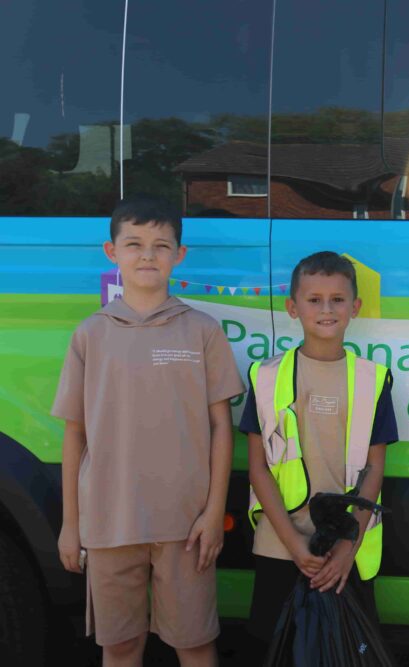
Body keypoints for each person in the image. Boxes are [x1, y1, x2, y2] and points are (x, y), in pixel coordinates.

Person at [52, 197, 245, 667]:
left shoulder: (201, 330)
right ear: (111, 252)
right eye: (134, 244)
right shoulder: (90, 334)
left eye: (161, 245)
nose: (147, 255)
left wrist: (213, 512)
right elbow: (75, 436)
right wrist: (71, 525)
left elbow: (222, 427)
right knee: (120, 646)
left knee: (194, 644)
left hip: (186, 526)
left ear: (179, 254)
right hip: (109, 523)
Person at [240, 251, 398, 648]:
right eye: (314, 300)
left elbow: (374, 470)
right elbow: (258, 468)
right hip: (281, 544)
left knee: (347, 650)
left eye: (337, 299)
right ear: (293, 308)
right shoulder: (265, 377)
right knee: (276, 648)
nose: (326, 309)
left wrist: (347, 548)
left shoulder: (374, 380)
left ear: (355, 307)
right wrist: (295, 545)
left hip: (347, 552)